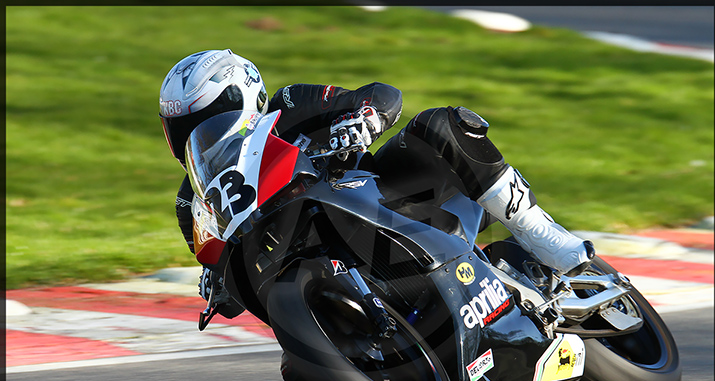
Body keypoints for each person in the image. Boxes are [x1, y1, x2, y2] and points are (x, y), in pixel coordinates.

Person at [159, 49, 594, 317]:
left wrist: (364, 118)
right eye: (184, 126)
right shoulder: (190, 200)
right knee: (303, 378)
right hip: (310, 273)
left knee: (441, 125)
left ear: (244, 95)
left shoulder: (290, 106)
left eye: (207, 116)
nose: (196, 133)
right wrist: (217, 284)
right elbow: (220, 266)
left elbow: (380, 94)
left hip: (387, 200)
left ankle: (541, 234)